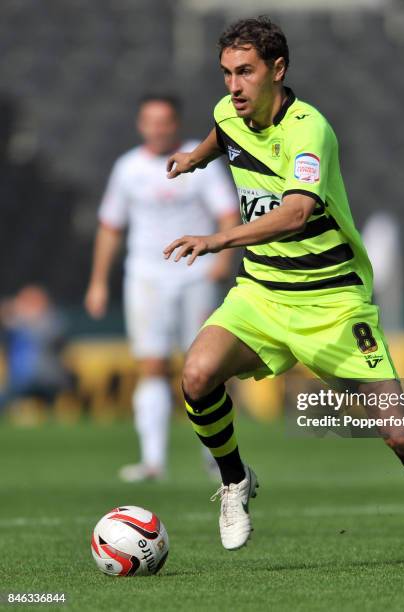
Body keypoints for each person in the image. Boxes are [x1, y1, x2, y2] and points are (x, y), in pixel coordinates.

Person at [164, 17, 404, 566]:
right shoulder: (228, 113)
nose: (233, 86)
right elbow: (222, 135)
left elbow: (296, 213)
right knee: (197, 375)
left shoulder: (308, 129)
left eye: (245, 72)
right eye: (226, 73)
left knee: (402, 436)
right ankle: (234, 482)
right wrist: (194, 159)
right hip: (263, 294)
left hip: (333, 303)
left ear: (278, 70)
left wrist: (218, 239)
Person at [85, 94, 239, 482]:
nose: (158, 128)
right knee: (152, 366)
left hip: (195, 274)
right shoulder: (128, 169)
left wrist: (221, 261)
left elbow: (226, 212)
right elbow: (110, 225)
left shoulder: (197, 159)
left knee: (202, 369)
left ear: (176, 124)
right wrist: (98, 282)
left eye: (165, 121)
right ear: (141, 124)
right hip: (146, 277)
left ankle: (216, 458)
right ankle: (152, 461)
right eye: (150, 121)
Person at [0, 286, 70, 412]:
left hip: (47, 379)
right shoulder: (15, 323)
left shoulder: (51, 320)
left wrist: (25, 317)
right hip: (20, 381)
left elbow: (47, 337)